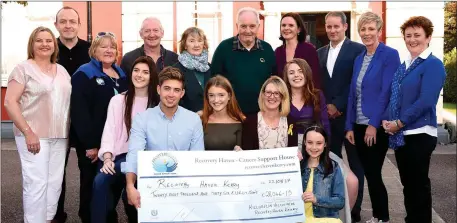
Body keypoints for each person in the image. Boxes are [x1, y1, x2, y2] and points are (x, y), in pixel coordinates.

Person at [4, 26, 71, 223]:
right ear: (32, 44)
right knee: (36, 184)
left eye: (48, 40)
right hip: (34, 136)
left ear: (54, 45)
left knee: (54, 183)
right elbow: (10, 102)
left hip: (60, 136)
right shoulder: (23, 68)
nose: (45, 44)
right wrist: (28, 132)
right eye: (39, 40)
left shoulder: (62, 71)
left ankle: (48, 219)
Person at [382, 16, 446, 223]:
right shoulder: (406, 65)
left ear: (428, 37)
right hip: (403, 135)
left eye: (417, 35)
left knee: (418, 187)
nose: (412, 39)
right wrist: (387, 119)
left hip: (419, 134)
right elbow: (396, 98)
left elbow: (426, 101)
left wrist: (399, 122)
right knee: (409, 186)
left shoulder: (433, 65)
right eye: (408, 35)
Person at [345, 12, 400, 223]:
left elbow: (386, 91)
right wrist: (349, 126)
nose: (366, 33)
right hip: (357, 125)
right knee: (367, 172)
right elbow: (353, 94)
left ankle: (383, 218)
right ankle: (378, 216)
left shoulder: (389, 54)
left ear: (379, 31)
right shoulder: (360, 58)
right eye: (363, 29)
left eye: (371, 29)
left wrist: (373, 125)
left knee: (374, 173)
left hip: (375, 125)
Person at [90, 56, 159, 223]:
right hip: (119, 157)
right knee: (100, 181)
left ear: (152, 76)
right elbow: (109, 132)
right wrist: (107, 158)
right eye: (136, 71)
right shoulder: (118, 100)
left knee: (135, 196)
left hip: (145, 161)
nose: (139, 75)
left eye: (145, 72)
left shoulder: (157, 104)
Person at [125, 66, 205, 208]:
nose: (171, 94)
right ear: (158, 89)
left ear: (182, 93)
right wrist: (130, 185)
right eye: (167, 88)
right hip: (152, 186)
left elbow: (197, 158)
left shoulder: (193, 120)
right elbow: (134, 155)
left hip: (184, 187)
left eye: (176, 90)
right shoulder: (142, 119)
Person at [70, 31, 128, 223]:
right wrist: (90, 145)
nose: (108, 50)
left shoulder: (121, 75)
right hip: (93, 145)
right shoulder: (84, 73)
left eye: (112, 47)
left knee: (110, 187)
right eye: (103, 46)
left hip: (115, 143)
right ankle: (88, 219)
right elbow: (79, 112)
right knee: (91, 186)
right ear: (94, 50)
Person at [317, 11, 365, 222]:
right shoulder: (319, 53)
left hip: (349, 119)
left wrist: (337, 104)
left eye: (337, 26)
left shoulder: (358, 50)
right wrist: (326, 106)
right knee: (330, 165)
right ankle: (333, 208)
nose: (333, 30)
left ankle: (354, 211)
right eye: (329, 26)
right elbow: (319, 83)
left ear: (345, 27)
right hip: (327, 120)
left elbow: (356, 82)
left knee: (356, 166)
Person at [53, 7, 91, 222]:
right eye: (63, 21)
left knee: (88, 172)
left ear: (79, 25)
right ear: (56, 24)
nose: (68, 25)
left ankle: (87, 215)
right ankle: (56, 214)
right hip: (56, 121)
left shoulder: (89, 50)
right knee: (57, 173)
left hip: (85, 122)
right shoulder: (48, 48)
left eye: (72, 21)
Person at [211, 7, 276, 115]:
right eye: (243, 26)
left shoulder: (267, 49)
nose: (248, 30)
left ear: (258, 27)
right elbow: (213, 82)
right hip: (230, 113)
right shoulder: (223, 48)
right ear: (237, 26)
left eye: (252, 26)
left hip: (262, 113)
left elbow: (274, 80)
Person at [300, 125, 345, 223]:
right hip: (300, 219)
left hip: (325, 219)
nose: (314, 147)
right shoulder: (297, 166)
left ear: (325, 144)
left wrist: (317, 199)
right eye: (310, 142)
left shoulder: (333, 167)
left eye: (319, 143)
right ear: (304, 143)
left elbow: (340, 201)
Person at [241, 76, 297, 150]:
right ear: (263, 95)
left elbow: (293, 151)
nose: (272, 97)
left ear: (282, 97)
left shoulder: (291, 122)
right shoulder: (250, 122)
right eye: (268, 92)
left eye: (277, 93)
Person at [283, 58, 330, 138]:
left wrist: (325, 145)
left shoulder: (317, 95)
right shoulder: (281, 97)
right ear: (287, 77)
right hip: (289, 145)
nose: (296, 75)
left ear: (307, 74)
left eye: (300, 71)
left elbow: (325, 124)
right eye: (291, 73)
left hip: (312, 146)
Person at [275, 12, 321, 88]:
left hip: (306, 97)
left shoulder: (309, 50)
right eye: (283, 25)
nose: (286, 28)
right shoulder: (278, 52)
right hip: (283, 97)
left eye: (291, 25)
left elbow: (315, 78)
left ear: (299, 29)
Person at [201, 75, 245, 151]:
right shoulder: (200, 120)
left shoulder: (240, 121)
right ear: (207, 97)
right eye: (211, 95)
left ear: (229, 96)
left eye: (221, 95)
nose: (216, 100)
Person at [173, 27, 211, 112]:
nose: (196, 45)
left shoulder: (210, 68)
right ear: (185, 45)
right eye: (192, 41)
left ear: (204, 44)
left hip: (210, 119)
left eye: (200, 40)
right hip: (186, 120)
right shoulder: (176, 69)